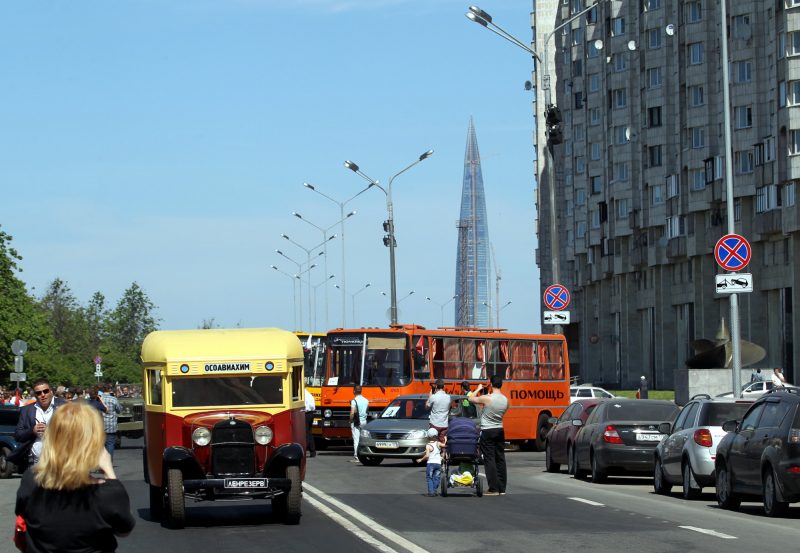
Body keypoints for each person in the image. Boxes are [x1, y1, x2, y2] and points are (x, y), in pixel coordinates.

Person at [15, 401, 135, 552]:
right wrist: (109, 472)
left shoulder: (30, 481)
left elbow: (23, 520)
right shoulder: (108, 493)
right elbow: (124, 530)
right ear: (93, 441)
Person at [10, 379, 66, 470]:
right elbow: (18, 435)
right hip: (35, 463)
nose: (43, 395)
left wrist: (51, 430)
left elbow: (75, 432)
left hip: (59, 461)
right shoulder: (27, 410)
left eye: (45, 391)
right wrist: (32, 430)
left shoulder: (64, 407)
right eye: (39, 393)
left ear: (51, 392)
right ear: (35, 395)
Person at [469, 374, 509, 496]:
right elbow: (505, 411)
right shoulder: (505, 400)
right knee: (500, 458)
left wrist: (478, 389)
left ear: (491, 384)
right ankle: (502, 488)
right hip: (500, 430)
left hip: (488, 431)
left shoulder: (487, 398)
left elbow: (471, 398)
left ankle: (493, 488)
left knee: (489, 458)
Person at [418, 428, 445, 497]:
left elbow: (427, 455)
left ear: (428, 437)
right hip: (438, 463)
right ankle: (435, 491)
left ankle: (431, 492)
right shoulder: (438, 443)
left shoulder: (428, 446)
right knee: (436, 477)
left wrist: (421, 459)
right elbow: (444, 445)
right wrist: (446, 439)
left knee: (429, 477)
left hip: (431, 463)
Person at [100, 383, 122, 457]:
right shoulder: (113, 399)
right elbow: (119, 410)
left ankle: (102, 463)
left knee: (101, 445)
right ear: (110, 390)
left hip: (100, 424)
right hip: (111, 424)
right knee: (110, 444)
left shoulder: (99, 399)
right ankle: (109, 461)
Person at [350, 385, 368, 463]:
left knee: (356, 439)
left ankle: (357, 456)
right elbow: (367, 411)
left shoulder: (354, 401)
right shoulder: (366, 400)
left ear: (354, 391)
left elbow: (352, 412)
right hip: (364, 421)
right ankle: (364, 454)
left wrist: (350, 420)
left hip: (356, 422)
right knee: (363, 439)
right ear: (361, 391)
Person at [304, 387, 317, 458]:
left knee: (305, 432)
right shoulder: (308, 394)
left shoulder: (303, 394)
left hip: (306, 413)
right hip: (311, 413)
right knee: (309, 432)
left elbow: (306, 406)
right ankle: (313, 451)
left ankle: (304, 449)